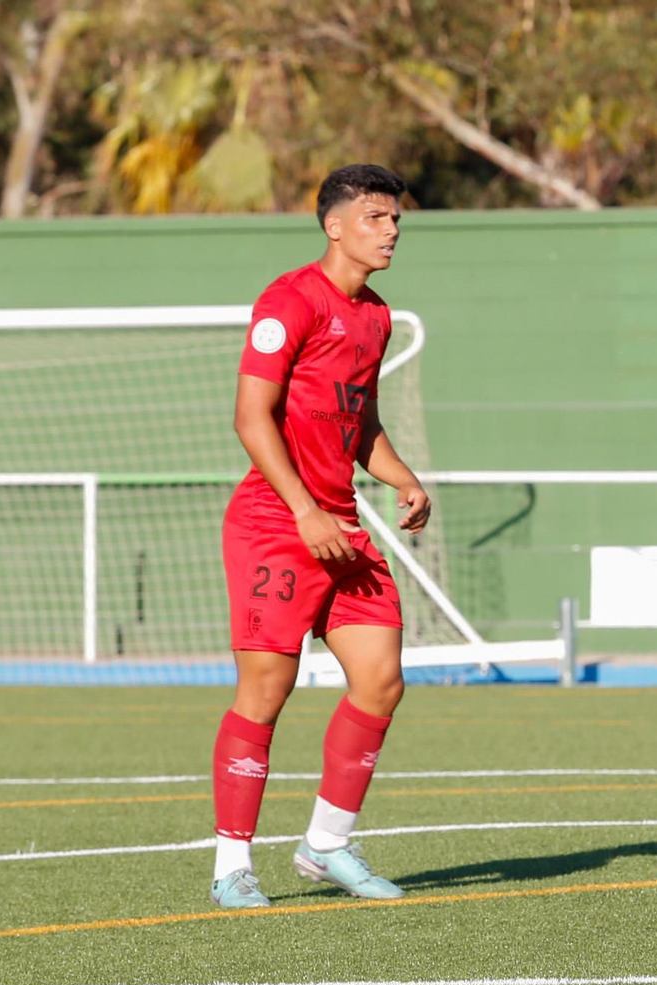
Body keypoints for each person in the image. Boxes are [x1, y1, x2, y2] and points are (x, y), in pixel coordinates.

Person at [208, 163, 431, 908]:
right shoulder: (289, 300)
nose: (391, 229)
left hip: (341, 524)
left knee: (381, 678)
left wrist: (401, 479)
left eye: (395, 218)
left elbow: (360, 424)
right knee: (267, 691)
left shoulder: (377, 316)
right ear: (334, 226)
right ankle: (230, 866)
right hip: (277, 523)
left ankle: (326, 845)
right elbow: (251, 416)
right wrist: (304, 508)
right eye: (376, 217)